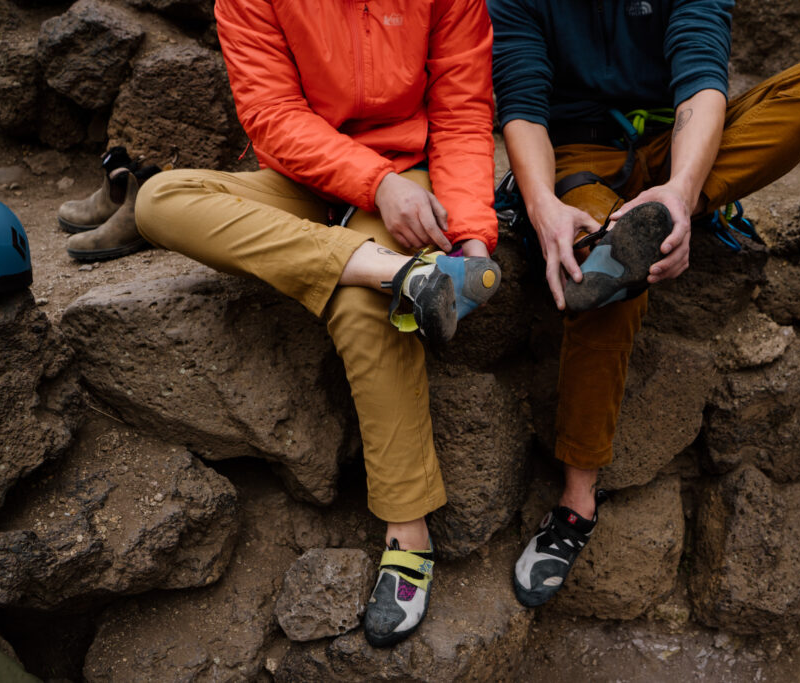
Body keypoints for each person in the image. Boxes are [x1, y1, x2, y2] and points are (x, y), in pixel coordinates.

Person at [135, 0, 500, 647]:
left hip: (410, 185)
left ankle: (407, 535)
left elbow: (463, 113)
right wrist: (373, 181)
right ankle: (395, 272)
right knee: (161, 199)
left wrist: (470, 239)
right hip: (304, 179)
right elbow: (271, 118)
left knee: (361, 305)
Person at [489, 0, 800, 606]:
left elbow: (701, 81)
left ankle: (657, 218)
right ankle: (578, 500)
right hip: (581, 159)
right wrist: (542, 207)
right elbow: (523, 108)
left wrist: (681, 191)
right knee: (606, 278)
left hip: (682, 151)